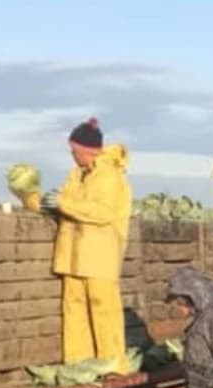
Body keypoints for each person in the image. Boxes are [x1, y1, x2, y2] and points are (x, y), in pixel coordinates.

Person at [38, 117, 133, 374]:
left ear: (86, 150)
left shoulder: (109, 176)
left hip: (98, 258)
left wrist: (64, 204)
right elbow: (64, 203)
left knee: (104, 313)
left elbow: (102, 213)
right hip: (71, 256)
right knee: (74, 313)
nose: (72, 156)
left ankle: (113, 364)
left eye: (74, 151)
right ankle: (79, 365)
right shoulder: (76, 175)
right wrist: (42, 202)